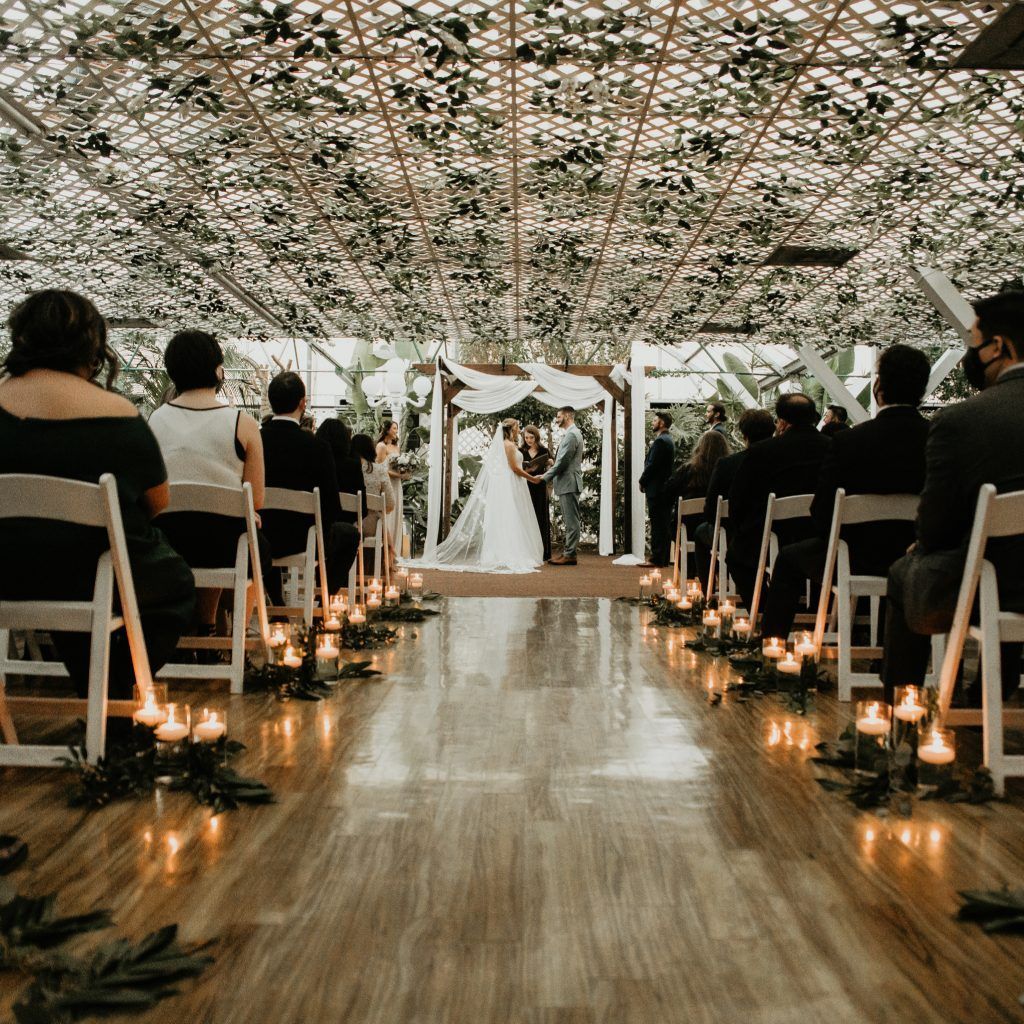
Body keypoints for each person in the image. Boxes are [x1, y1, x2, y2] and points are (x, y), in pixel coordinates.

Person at [0, 290, 195, 699]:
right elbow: (158, 502)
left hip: (7, 573)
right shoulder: (118, 415)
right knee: (172, 582)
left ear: (21, 338)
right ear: (92, 345)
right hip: (88, 577)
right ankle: (111, 691)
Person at [883, 292, 1024, 701]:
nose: (970, 356)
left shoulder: (963, 420)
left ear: (998, 346)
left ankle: (902, 712)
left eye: (973, 344)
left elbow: (936, 527)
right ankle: (987, 693)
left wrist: (923, 544)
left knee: (905, 571)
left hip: (999, 586)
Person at [760, 345, 931, 640]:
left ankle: (771, 645)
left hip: (855, 558)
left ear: (878, 388)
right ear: (921, 389)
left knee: (788, 559)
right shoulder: (938, 437)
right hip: (918, 558)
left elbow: (822, 512)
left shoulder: (849, 441)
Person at [148, 329, 265, 639]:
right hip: (226, 550)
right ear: (218, 371)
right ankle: (236, 635)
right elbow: (256, 500)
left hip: (167, 546)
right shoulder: (242, 424)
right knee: (252, 541)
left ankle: (204, 624)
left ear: (172, 372)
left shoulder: (155, 421)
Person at [260, 372, 359, 603]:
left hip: (261, 538)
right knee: (350, 535)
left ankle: (277, 604)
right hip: (304, 540)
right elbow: (332, 505)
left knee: (268, 525)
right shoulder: (318, 447)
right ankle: (322, 602)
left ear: (272, 402)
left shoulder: (256, 440)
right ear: (302, 403)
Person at [727, 393, 830, 611]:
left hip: (771, 537)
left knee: (736, 557)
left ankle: (765, 609)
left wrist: (742, 530)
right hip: (821, 537)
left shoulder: (762, 451)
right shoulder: (832, 448)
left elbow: (738, 500)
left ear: (781, 422)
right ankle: (815, 609)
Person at [412, 419, 543, 573]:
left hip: (514, 483)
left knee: (513, 515)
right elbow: (514, 468)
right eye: (517, 427)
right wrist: (532, 478)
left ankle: (511, 549)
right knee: (509, 516)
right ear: (511, 429)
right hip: (511, 482)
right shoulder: (507, 445)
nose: (519, 430)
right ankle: (506, 552)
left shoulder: (510, 444)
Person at [694, 408, 775, 589]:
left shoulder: (728, 464)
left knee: (700, 531)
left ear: (743, 434)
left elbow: (711, 509)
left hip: (737, 536)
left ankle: (708, 590)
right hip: (778, 536)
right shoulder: (782, 461)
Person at [669, 429, 729, 582]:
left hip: (689, 527)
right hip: (718, 526)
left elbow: (668, 490)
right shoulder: (727, 469)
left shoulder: (688, 470)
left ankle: (690, 569)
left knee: (675, 524)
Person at [538, 406, 585, 566]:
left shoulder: (572, 434)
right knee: (570, 520)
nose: (556, 419)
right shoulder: (572, 433)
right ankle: (569, 553)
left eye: (558, 416)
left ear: (567, 416)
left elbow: (563, 462)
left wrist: (544, 478)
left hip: (569, 483)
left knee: (571, 521)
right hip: (568, 482)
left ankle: (570, 554)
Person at [352, 433, 396, 572]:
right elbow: (390, 503)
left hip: (349, 523)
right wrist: (380, 511)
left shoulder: (346, 468)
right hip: (371, 525)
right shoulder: (379, 470)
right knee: (380, 520)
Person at [639, 411, 676, 567]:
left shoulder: (661, 441)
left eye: (655, 420)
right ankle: (663, 558)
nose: (652, 423)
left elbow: (652, 465)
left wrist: (642, 481)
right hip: (664, 488)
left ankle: (656, 558)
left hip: (657, 488)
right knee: (663, 524)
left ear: (662, 423)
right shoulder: (669, 440)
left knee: (658, 524)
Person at [316, 417, 364, 524]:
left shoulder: (315, 463)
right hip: (346, 525)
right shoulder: (353, 465)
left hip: (317, 523)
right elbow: (363, 508)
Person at [376, 420, 409, 558]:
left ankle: (395, 551)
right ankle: (385, 552)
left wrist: (406, 470)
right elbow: (380, 469)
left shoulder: (396, 447)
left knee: (396, 513)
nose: (396, 431)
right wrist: (400, 476)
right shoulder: (381, 446)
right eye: (394, 428)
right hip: (387, 483)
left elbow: (398, 467)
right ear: (387, 430)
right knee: (389, 513)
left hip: (397, 484)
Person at [520, 424, 551, 562]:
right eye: (526, 437)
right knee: (525, 517)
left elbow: (551, 469)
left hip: (540, 486)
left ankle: (543, 552)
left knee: (541, 517)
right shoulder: (521, 451)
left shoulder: (544, 450)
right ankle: (526, 551)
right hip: (525, 486)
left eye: (531, 437)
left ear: (536, 437)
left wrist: (550, 463)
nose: (528, 440)